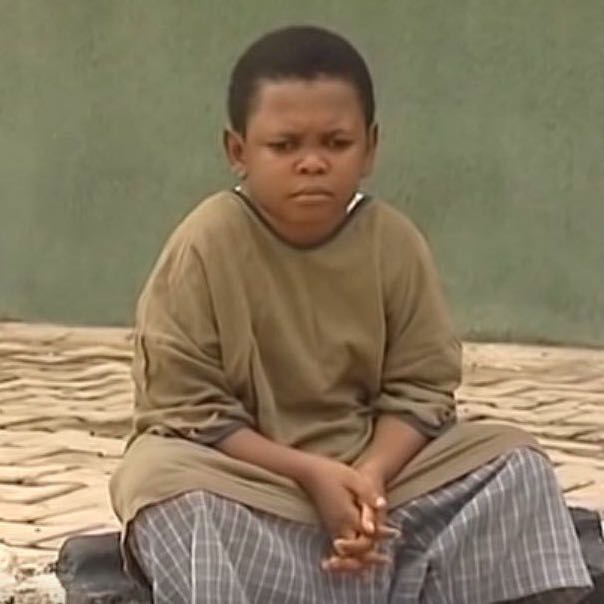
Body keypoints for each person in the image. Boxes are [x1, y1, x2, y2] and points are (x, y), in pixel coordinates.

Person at [109, 25, 593, 603]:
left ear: (370, 148)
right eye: (285, 146)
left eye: (336, 143)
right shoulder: (206, 243)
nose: (312, 163)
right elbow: (186, 406)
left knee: (514, 462)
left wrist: (369, 479)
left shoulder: (394, 242)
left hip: (383, 477)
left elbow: (422, 388)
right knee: (161, 483)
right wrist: (311, 475)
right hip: (253, 483)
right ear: (238, 151)